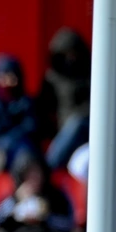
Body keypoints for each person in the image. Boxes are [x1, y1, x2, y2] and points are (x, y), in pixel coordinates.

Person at [38, 28, 92, 171]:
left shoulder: (91, 75)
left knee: (76, 123)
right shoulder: (51, 78)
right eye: (65, 54)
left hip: (87, 131)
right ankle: (44, 168)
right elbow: (43, 110)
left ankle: (47, 169)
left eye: (74, 53)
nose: (70, 59)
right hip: (62, 134)